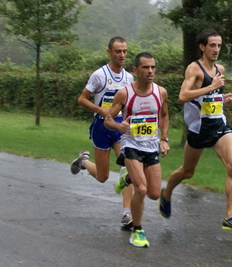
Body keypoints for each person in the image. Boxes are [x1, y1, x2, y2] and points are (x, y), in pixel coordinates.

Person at [159, 29, 232, 232]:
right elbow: (183, 96)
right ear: (202, 46)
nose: (216, 49)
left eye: (219, 45)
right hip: (199, 129)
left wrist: (222, 100)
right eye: (212, 45)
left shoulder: (220, 69)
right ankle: (167, 193)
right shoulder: (194, 69)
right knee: (187, 172)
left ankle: (230, 217)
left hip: (218, 124)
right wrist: (211, 88)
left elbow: (210, 99)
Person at [104, 52, 170, 248]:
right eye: (145, 67)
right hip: (131, 145)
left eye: (153, 67)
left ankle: (127, 178)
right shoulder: (125, 93)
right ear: (135, 70)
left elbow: (164, 116)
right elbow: (108, 119)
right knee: (141, 189)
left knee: (154, 194)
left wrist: (164, 139)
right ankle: (137, 231)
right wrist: (118, 126)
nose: (150, 71)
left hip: (151, 145)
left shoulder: (161, 92)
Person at [70, 37, 134, 229]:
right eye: (118, 51)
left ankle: (126, 214)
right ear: (109, 52)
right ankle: (83, 161)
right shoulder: (99, 75)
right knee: (103, 176)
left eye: (124, 51)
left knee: (128, 168)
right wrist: (102, 111)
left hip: (121, 126)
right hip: (102, 127)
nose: (122, 55)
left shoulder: (129, 78)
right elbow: (82, 99)